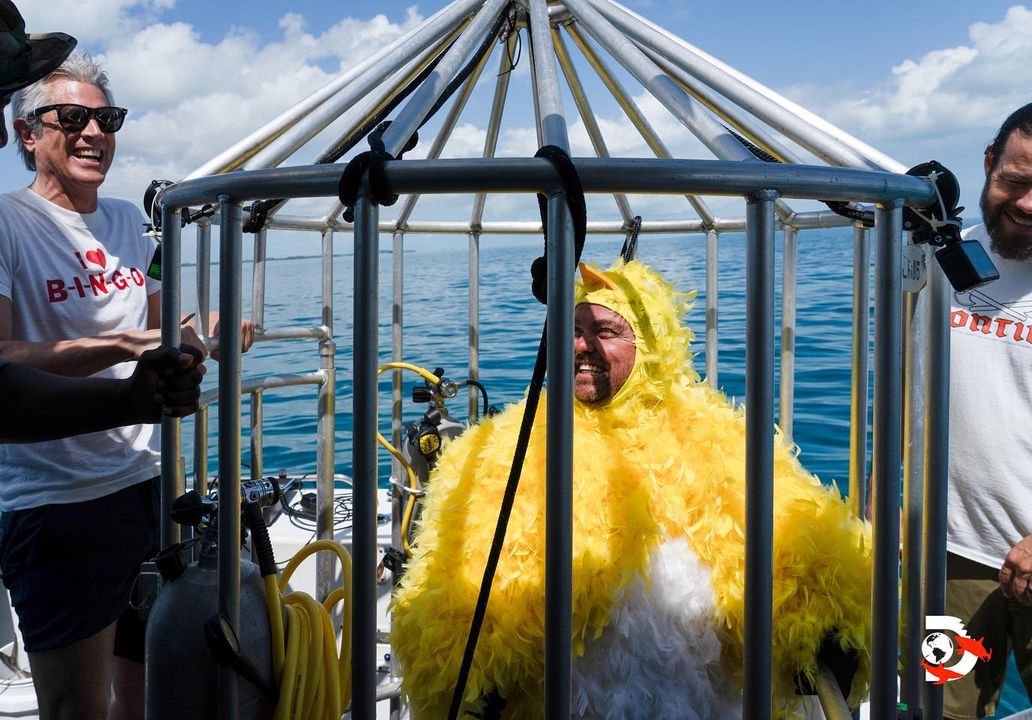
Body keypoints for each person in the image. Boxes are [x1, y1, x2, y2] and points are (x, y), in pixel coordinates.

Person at [391, 259, 873, 719]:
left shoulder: (715, 437)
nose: (582, 346)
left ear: (650, 346)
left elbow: (793, 536)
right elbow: (451, 577)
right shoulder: (507, 447)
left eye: (605, 332)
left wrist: (824, 623)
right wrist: (472, 668)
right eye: (574, 330)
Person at [0, 45, 249, 719]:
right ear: (27, 134)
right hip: (60, 503)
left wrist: (208, 328)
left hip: (152, 486)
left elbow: (163, 326)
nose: (94, 132)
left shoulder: (125, 221)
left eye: (107, 119)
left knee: (144, 690)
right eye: (71, 118)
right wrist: (119, 344)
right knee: (77, 707)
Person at [945, 103, 1032, 720]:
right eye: (1016, 180)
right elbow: (912, 380)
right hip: (952, 557)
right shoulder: (939, 257)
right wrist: (883, 486)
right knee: (942, 708)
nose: (1027, 204)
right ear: (987, 164)